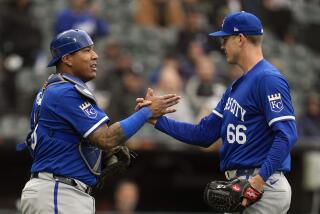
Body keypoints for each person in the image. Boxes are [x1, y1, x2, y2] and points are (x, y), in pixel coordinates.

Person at [137, 11, 298, 213]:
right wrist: (157, 120)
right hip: (245, 184)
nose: (221, 45)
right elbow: (204, 134)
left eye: (225, 38)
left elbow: (287, 134)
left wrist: (259, 180)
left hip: (262, 185)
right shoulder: (235, 87)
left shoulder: (268, 79)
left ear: (240, 39)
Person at [19, 29, 180, 214]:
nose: (95, 56)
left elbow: (67, 141)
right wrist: (147, 112)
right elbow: (106, 139)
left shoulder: (55, 88)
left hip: (57, 190)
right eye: (86, 50)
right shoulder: (65, 91)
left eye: (93, 50)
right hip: (58, 192)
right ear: (67, 58)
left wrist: (93, 154)